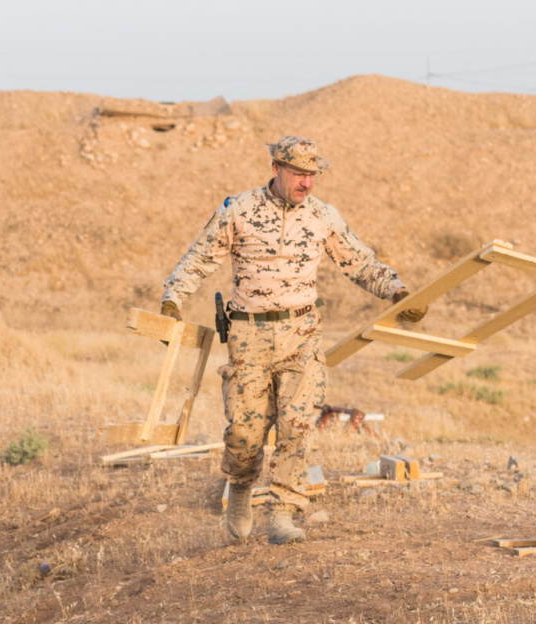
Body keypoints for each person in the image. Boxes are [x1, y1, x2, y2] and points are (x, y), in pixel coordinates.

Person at [160, 136, 426, 545]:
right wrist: (172, 300)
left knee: (297, 425)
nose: (307, 184)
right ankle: (243, 486)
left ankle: (282, 513)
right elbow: (198, 258)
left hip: (301, 333)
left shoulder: (323, 216)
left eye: (313, 176)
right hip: (248, 335)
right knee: (245, 434)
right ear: (276, 169)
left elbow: (361, 262)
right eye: (299, 174)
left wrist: (398, 292)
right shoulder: (239, 210)